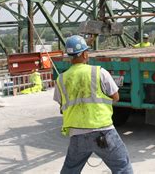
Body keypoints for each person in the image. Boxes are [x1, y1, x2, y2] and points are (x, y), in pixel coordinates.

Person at [54, 35, 133, 174]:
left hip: (77, 134)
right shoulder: (99, 72)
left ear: (70, 56)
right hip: (103, 131)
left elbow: (62, 106)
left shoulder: (61, 79)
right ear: (85, 54)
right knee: (122, 167)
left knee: (70, 170)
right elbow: (116, 97)